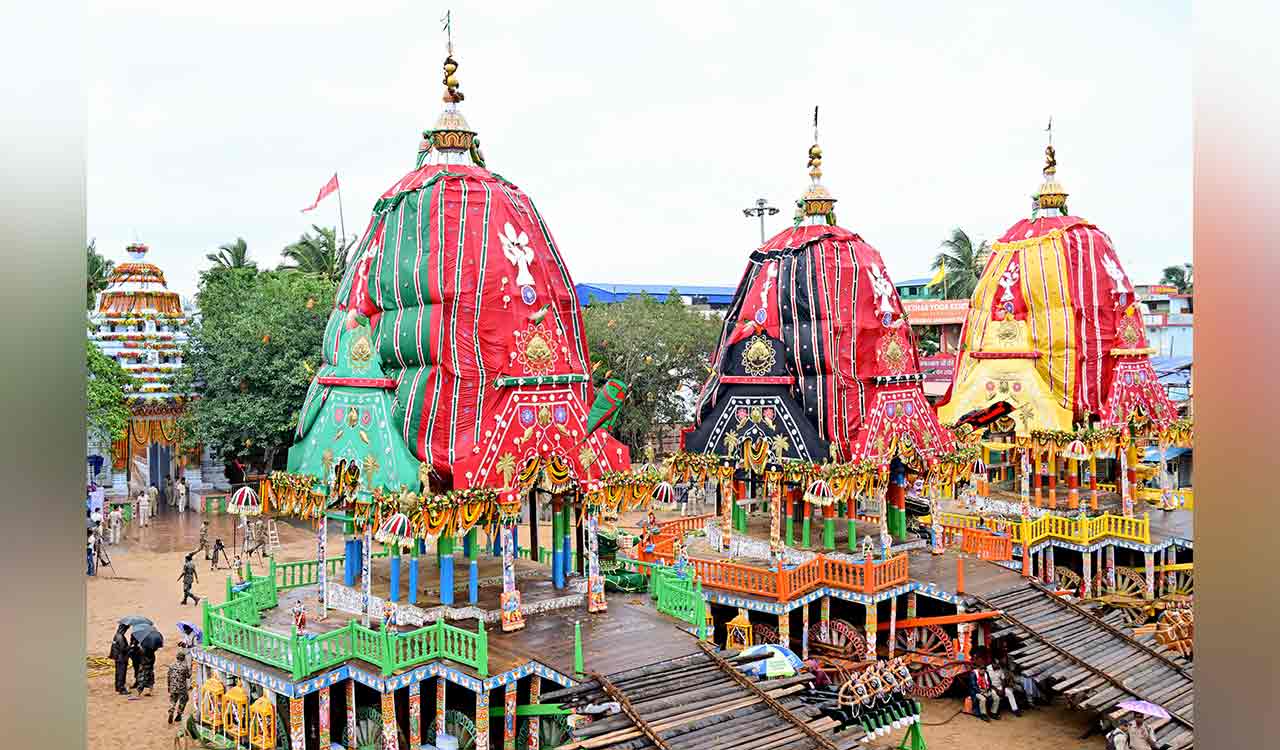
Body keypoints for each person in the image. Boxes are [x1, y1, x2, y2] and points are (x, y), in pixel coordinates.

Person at [166, 650, 191, 724]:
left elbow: (168, 676)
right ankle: (179, 714)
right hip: (182, 687)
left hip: (173, 686)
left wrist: (169, 686)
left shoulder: (171, 665)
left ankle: (171, 710)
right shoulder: (184, 666)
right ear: (183, 658)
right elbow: (188, 676)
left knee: (173, 700)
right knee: (184, 700)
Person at [109, 623, 131, 695]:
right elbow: (123, 649)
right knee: (122, 673)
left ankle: (118, 687)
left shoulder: (116, 635)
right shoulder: (121, 637)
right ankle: (122, 689)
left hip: (117, 658)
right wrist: (131, 647)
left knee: (118, 673)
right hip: (122, 658)